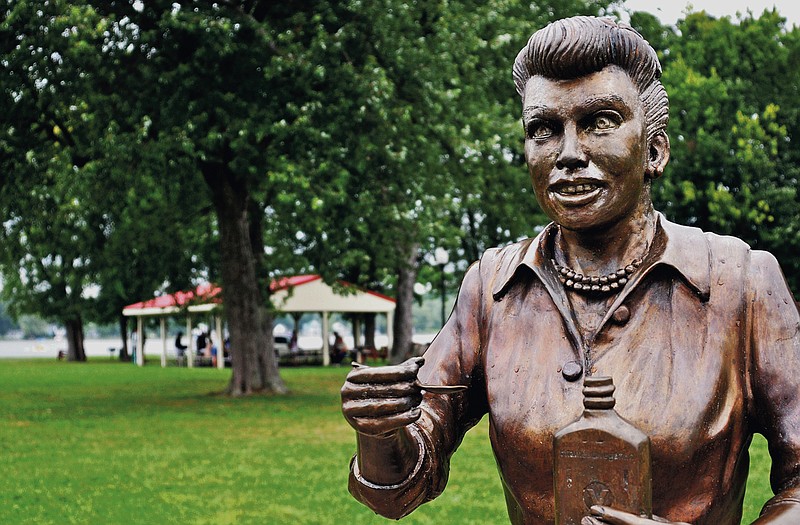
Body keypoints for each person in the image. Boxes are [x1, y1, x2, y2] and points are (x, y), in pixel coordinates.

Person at [341, 16, 800, 525]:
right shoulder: (491, 288)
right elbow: (398, 491)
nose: (569, 154)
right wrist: (381, 432)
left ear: (654, 150)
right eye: (543, 129)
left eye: (599, 122)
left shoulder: (741, 282)